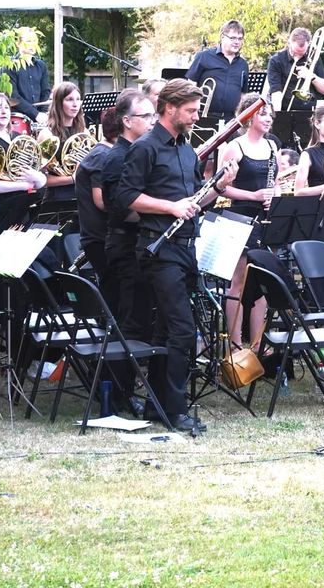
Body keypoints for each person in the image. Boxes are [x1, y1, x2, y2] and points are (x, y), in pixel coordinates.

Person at [119, 78, 238, 433]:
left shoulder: (187, 150)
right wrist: (170, 207)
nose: (196, 115)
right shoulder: (145, 148)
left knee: (165, 330)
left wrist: (217, 187)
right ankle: (174, 409)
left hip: (186, 246)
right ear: (169, 109)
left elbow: (193, 203)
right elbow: (126, 197)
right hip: (157, 249)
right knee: (182, 330)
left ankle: (157, 405)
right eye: (190, 110)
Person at [218, 93, 279, 346]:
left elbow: (276, 182)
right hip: (241, 218)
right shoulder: (236, 146)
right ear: (249, 116)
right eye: (263, 114)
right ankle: (235, 344)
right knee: (238, 282)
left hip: (265, 218)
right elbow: (220, 188)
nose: (269, 119)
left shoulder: (273, 146)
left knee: (264, 281)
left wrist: (272, 195)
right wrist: (253, 195)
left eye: (270, 114)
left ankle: (256, 344)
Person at [100, 90, 157, 355]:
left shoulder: (138, 151)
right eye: (145, 116)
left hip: (135, 245)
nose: (152, 121)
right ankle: (117, 391)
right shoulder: (117, 158)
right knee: (128, 323)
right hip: (125, 246)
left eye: (153, 115)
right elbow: (120, 208)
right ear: (126, 121)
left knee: (140, 318)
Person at [73, 108, 121, 305]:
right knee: (114, 292)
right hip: (100, 239)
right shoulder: (103, 155)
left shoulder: (102, 153)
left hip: (100, 238)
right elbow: (101, 201)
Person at [0, 91, 48, 198]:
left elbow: (39, 179)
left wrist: (38, 178)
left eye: (6, 107)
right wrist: (23, 185)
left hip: (23, 202)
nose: (3, 111)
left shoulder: (18, 137)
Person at [187, 19, 249, 118]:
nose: (237, 42)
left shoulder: (243, 64)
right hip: (204, 117)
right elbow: (190, 85)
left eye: (240, 39)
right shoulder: (204, 56)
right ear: (222, 37)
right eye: (233, 38)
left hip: (231, 119)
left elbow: (243, 94)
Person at [267, 27, 324, 112]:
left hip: (309, 111)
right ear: (289, 43)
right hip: (285, 110)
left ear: (308, 44)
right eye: (295, 52)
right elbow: (276, 92)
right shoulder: (276, 60)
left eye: (302, 53)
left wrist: (311, 76)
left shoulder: (313, 57)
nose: (298, 56)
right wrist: (277, 115)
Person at [5, 27, 50, 123]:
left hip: (40, 118)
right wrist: (35, 114)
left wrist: (42, 113)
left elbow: (45, 92)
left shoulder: (41, 66)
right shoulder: (10, 66)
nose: (32, 44)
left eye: (34, 41)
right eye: (28, 41)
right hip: (18, 119)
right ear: (18, 43)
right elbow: (13, 96)